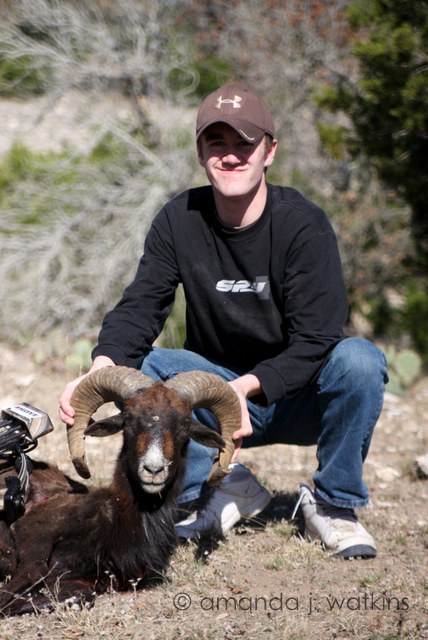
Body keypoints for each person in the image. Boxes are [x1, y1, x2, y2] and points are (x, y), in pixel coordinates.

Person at [60, 84, 388, 559]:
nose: (230, 156)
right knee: (144, 370)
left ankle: (334, 504)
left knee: (359, 361)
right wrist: (100, 369)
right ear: (200, 152)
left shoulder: (303, 224)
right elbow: (141, 306)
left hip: (297, 397)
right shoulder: (179, 219)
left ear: (269, 151)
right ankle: (218, 486)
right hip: (211, 400)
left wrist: (247, 387)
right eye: (217, 143)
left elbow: (317, 337)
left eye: (244, 144)